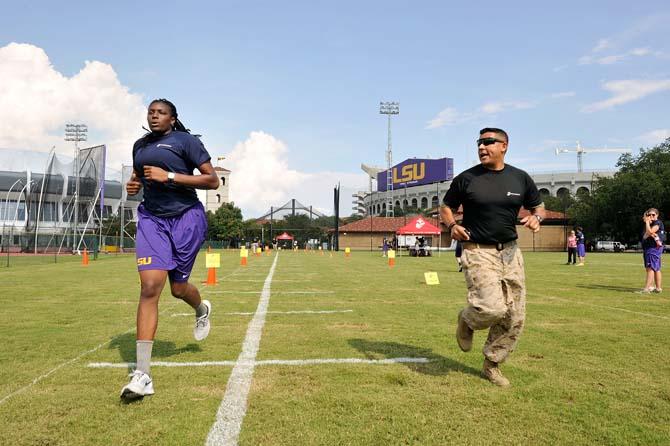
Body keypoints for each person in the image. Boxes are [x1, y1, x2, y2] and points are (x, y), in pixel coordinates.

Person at [121, 99, 220, 399]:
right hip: (152, 219)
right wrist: (133, 186)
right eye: (151, 111)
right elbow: (138, 176)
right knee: (151, 286)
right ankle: (143, 375)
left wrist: (171, 177)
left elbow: (212, 180)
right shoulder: (140, 146)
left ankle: (201, 309)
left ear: (173, 118)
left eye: (161, 112)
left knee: (177, 289)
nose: (154, 116)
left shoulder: (186, 142)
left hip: (187, 219)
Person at [440, 127, 545, 387]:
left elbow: (539, 206)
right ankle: (467, 319)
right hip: (477, 250)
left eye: (488, 142)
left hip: (510, 251)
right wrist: (452, 226)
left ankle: (492, 364)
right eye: (479, 142)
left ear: (504, 146)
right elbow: (445, 207)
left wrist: (537, 217)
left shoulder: (520, 178)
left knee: (514, 315)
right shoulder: (467, 179)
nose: (481, 147)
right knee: (491, 308)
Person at [639, 208, 664, 293]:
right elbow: (645, 236)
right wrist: (647, 223)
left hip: (653, 248)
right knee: (656, 268)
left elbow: (650, 232)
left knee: (650, 268)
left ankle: (647, 288)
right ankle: (657, 288)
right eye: (649, 215)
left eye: (653, 215)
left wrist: (647, 222)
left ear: (657, 215)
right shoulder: (651, 224)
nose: (651, 216)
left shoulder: (657, 223)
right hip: (651, 248)